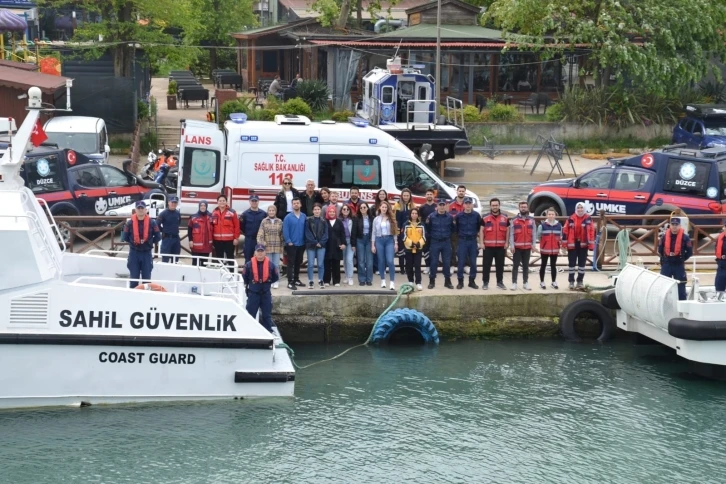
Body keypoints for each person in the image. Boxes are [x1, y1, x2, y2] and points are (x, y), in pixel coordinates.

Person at [122, 201, 161, 288]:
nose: (140, 210)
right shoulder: (129, 223)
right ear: (135, 210)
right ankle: (132, 296)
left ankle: (146, 298)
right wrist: (134, 243)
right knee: (134, 279)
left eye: (142, 208)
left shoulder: (152, 223)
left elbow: (158, 236)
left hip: (146, 254)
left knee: (146, 280)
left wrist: (149, 242)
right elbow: (125, 237)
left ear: (146, 210)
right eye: (138, 208)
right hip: (134, 253)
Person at [242, 244, 279, 333]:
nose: (260, 253)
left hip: (266, 293)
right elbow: (245, 277)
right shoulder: (248, 265)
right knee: (251, 314)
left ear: (265, 252)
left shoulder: (271, 265)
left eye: (262, 251)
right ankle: (249, 332)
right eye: (258, 251)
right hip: (253, 293)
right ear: (255, 252)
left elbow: (275, 277)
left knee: (267, 315)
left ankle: (268, 332)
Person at [658, 216, 693, 300]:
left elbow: (689, 252)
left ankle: (682, 305)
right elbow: (660, 250)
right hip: (667, 264)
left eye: (676, 224)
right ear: (670, 225)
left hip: (678, 265)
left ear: (679, 226)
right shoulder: (664, 237)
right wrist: (665, 258)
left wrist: (682, 259)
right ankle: (663, 303)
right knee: (663, 285)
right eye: (672, 224)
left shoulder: (685, 238)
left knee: (681, 286)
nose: (674, 226)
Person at [563, 201, 595, 290]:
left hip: (583, 245)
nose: (580, 209)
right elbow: (565, 231)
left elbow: (592, 232)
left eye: (581, 208)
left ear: (584, 209)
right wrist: (564, 244)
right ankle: (571, 281)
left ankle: (580, 281)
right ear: (576, 209)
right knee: (571, 264)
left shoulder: (588, 218)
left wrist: (591, 245)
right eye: (578, 208)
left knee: (582, 265)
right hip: (572, 244)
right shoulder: (571, 218)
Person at [481, 198, 509, 290]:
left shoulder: (505, 217)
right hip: (488, 247)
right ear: (490, 206)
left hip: (500, 247)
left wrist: (507, 242)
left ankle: (500, 282)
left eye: (496, 205)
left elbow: (508, 230)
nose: (495, 207)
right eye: (493, 205)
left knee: (500, 266)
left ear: (499, 205)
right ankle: (485, 282)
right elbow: (481, 231)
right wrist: (481, 243)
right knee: (486, 266)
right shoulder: (485, 217)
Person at [426, 200, 455, 289]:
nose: (442, 207)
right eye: (440, 205)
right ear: (437, 206)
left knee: (447, 263)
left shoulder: (450, 217)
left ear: (446, 206)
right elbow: (428, 228)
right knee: (434, 262)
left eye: (443, 205)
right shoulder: (431, 216)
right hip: (435, 242)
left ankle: (447, 281)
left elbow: (453, 229)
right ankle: (432, 281)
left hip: (446, 242)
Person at [509, 201, 537, 291]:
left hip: (527, 248)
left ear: (527, 208)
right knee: (515, 266)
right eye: (522, 207)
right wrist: (512, 245)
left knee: (526, 266)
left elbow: (534, 234)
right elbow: (511, 234)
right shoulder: (514, 220)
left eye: (525, 207)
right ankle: (514, 283)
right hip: (517, 248)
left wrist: (533, 245)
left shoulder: (531, 220)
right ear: (519, 208)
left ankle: (525, 283)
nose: (523, 208)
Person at [455, 196, 482, 289]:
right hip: (462, 241)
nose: (468, 205)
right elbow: (456, 228)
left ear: (472, 205)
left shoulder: (476, 216)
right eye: (466, 203)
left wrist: (480, 241)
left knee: (473, 263)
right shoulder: (458, 216)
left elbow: (479, 228)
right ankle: (460, 281)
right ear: (463, 205)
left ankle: (472, 281)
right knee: (461, 262)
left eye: (469, 203)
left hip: (472, 241)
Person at [372, 200, 398, 289]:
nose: (384, 209)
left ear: (388, 208)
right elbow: (373, 232)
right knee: (381, 260)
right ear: (380, 208)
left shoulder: (391, 218)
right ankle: (383, 280)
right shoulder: (376, 219)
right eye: (382, 207)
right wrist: (373, 244)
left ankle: (392, 282)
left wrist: (396, 243)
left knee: (390, 261)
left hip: (389, 240)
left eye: (386, 207)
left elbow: (395, 232)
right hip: (379, 240)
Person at [256, 205, 284, 288]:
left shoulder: (279, 221)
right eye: (270, 210)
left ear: (275, 212)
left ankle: (276, 281)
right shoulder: (264, 221)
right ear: (268, 212)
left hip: (277, 246)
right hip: (267, 247)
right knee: (268, 264)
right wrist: (261, 243)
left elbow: (282, 235)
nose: (271, 212)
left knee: (276, 265)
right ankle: (269, 280)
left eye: (273, 210)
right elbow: (260, 234)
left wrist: (283, 246)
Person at [282, 198, 306, 289]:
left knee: (298, 263)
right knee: (290, 263)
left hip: (301, 244)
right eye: (294, 203)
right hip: (292, 245)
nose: (296, 204)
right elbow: (285, 230)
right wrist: (288, 241)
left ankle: (296, 279)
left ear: (300, 205)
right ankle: (290, 282)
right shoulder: (288, 217)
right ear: (292, 205)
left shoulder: (304, 216)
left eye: (297, 203)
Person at [537, 208, 564, 289]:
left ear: (555, 215)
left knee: (553, 265)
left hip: (555, 250)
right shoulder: (542, 226)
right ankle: (542, 282)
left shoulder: (559, 226)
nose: (551, 216)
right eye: (549, 214)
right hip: (545, 249)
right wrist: (545, 244)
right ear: (547, 215)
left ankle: (553, 282)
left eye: (552, 214)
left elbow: (560, 237)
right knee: (543, 265)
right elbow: (539, 236)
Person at [211, 194, 240, 268]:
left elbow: (237, 226)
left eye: (223, 201)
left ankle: (232, 274)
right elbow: (211, 226)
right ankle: (220, 275)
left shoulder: (232, 212)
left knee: (230, 258)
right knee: (219, 259)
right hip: (217, 240)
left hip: (229, 240)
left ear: (226, 202)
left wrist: (236, 238)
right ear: (217, 202)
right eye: (220, 201)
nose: (222, 202)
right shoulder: (214, 212)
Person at [304, 204, 328, 289]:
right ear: (313, 211)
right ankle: (310, 281)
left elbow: (326, 234)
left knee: (320, 264)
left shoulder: (324, 221)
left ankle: (320, 280)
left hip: (321, 246)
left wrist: (320, 242)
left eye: (318, 209)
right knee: (310, 264)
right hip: (311, 245)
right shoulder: (308, 220)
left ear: (320, 210)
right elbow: (307, 233)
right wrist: (315, 242)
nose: (317, 211)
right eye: (315, 209)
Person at [403, 208, 426, 290]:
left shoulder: (422, 225)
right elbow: (404, 237)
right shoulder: (406, 224)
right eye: (412, 213)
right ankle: (410, 281)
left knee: (417, 266)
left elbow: (424, 237)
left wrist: (418, 244)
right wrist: (412, 244)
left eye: (416, 213)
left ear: (418, 215)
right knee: (409, 266)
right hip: (408, 248)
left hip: (418, 249)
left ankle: (418, 282)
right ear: (410, 214)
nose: (414, 215)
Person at [352, 202, 374, 286]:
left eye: (364, 207)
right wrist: (353, 244)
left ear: (367, 208)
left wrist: (373, 242)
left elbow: (374, 231)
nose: (363, 209)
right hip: (360, 240)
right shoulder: (356, 218)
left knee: (369, 261)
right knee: (361, 261)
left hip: (369, 239)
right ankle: (361, 279)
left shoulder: (372, 218)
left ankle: (369, 279)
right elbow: (353, 232)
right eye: (361, 208)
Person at [394, 188, 415, 276]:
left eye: (407, 195)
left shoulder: (413, 206)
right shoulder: (397, 205)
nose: (406, 197)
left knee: (410, 250)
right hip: (400, 231)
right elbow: (395, 220)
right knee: (401, 250)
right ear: (402, 196)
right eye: (404, 195)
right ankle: (402, 268)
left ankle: (409, 267)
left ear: (410, 196)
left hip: (411, 231)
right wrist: (397, 231)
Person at [240, 194, 266, 262]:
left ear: (258, 201)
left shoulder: (263, 214)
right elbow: (242, 226)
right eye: (252, 201)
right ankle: (248, 272)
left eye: (256, 201)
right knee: (248, 259)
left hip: (259, 240)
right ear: (250, 201)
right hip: (249, 239)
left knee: (260, 259)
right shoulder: (245, 214)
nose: (254, 202)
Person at [324, 205, 346, 286]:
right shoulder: (324, 221)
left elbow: (342, 234)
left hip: (337, 246)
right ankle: (326, 280)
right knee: (327, 264)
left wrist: (343, 243)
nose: (332, 213)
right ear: (327, 212)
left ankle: (336, 281)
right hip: (327, 245)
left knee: (336, 264)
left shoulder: (339, 222)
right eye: (330, 212)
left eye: (333, 212)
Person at [187, 200, 214, 266]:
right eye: (201, 205)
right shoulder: (193, 217)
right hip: (196, 245)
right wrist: (190, 240)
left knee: (204, 264)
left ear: (206, 206)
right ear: (199, 206)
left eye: (204, 205)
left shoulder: (211, 216)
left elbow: (214, 229)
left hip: (206, 245)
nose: (203, 207)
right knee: (195, 263)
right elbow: (189, 229)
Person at [418, 188, 437, 275]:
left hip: (435, 232)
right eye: (428, 194)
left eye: (431, 194)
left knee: (434, 250)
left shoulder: (437, 207)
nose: (429, 196)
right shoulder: (422, 208)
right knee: (425, 250)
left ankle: (433, 267)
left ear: (433, 196)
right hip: (425, 232)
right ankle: (427, 266)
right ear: (425, 196)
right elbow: (419, 220)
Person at [156, 196, 182, 263]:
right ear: (168, 203)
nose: (173, 204)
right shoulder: (163, 213)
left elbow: (178, 223)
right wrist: (163, 231)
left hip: (176, 239)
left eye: (175, 203)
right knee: (165, 259)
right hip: (167, 239)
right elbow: (157, 224)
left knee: (175, 259)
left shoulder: (178, 213)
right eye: (172, 202)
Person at [448, 185, 467, 267]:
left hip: (465, 231)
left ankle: (466, 265)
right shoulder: (450, 204)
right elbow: (447, 217)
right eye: (460, 191)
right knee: (453, 248)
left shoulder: (468, 204)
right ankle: (452, 265)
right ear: (457, 192)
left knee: (465, 249)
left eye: (463, 191)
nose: (461, 192)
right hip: (453, 231)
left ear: (465, 192)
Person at [340, 205, 355, 285]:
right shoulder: (339, 220)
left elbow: (354, 233)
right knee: (345, 260)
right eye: (344, 209)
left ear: (350, 211)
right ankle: (346, 276)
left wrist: (354, 244)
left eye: (347, 209)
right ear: (341, 210)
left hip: (350, 242)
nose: (345, 210)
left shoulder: (352, 220)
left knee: (349, 259)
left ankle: (350, 277)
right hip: (342, 242)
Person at [715, 222, 726, 300]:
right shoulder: (720, 237)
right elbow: (716, 249)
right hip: (722, 264)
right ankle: (719, 300)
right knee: (719, 284)